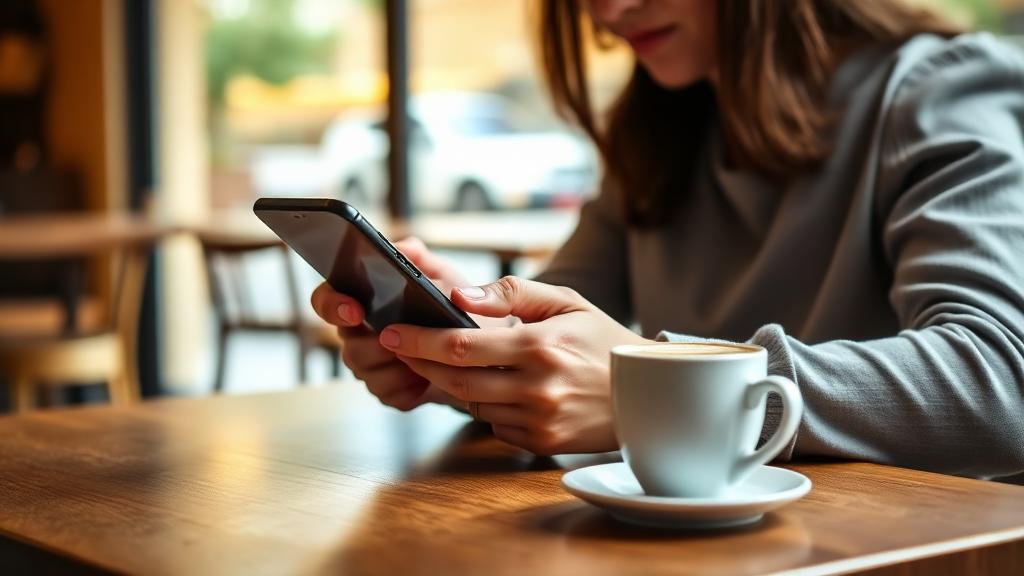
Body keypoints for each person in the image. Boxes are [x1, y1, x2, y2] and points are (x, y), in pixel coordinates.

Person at [312, 0, 1024, 480]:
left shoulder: (937, 88)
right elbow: (563, 352)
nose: (609, 11)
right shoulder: (658, 130)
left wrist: (662, 397)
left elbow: (1002, 378)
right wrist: (457, 343)